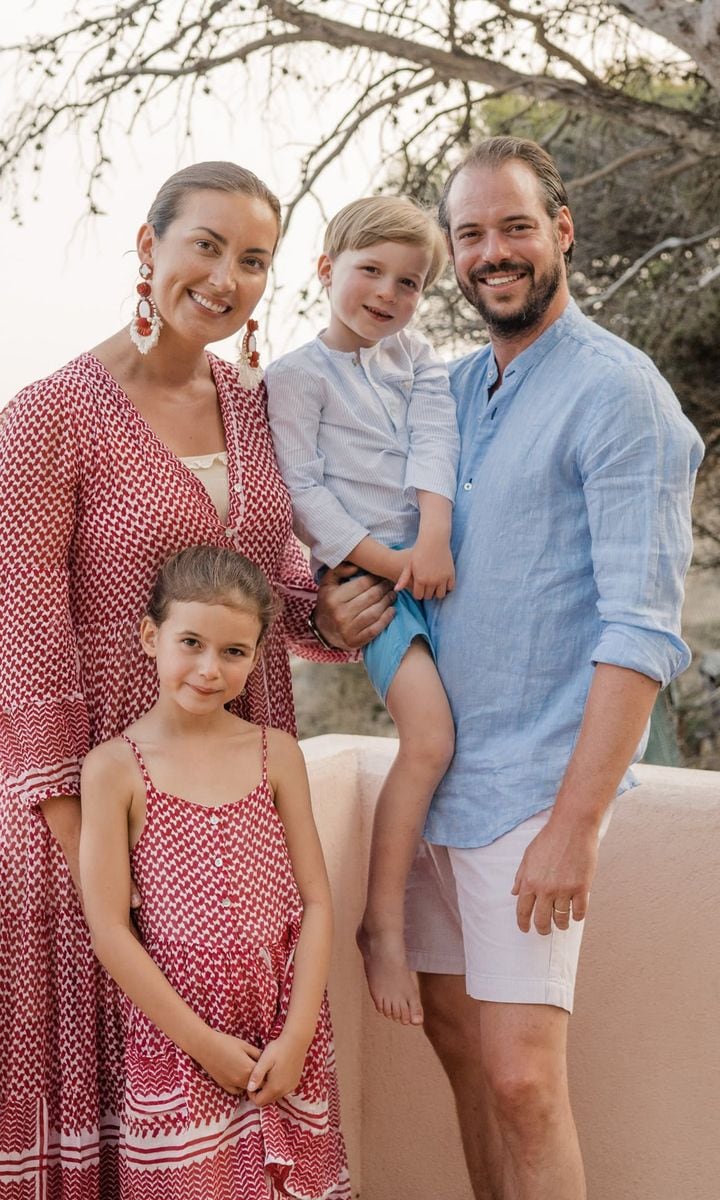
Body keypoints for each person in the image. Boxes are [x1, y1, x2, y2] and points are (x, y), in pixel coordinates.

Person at [321, 136, 704, 1200]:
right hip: (436, 786)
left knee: (523, 1078)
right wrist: (340, 601)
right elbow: (381, 542)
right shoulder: (446, 390)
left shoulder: (621, 396)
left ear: (561, 231)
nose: (495, 252)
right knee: (453, 1042)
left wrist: (574, 828)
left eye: (516, 226)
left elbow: (641, 630)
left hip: (534, 796)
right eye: (472, 234)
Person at [0, 161, 390, 1199]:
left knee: (232, 1133)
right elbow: (26, 637)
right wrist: (90, 849)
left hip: (238, 816)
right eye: (205, 245)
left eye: (253, 259)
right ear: (149, 247)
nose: (226, 277)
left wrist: (327, 618)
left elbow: (267, 589)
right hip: (93, 820)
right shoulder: (49, 418)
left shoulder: (256, 408)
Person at [80, 545, 349, 1199]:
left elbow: (315, 901)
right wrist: (204, 1044)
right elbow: (111, 930)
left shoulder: (274, 754)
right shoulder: (114, 768)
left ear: (257, 656)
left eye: (233, 652)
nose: (208, 668)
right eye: (191, 642)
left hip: (286, 1040)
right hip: (178, 1047)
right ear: (151, 637)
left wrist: (297, 1035)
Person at [266, 197, 460, 1026]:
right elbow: (304, 494)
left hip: (442, 561)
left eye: (408, 282)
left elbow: (436, 440)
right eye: (370, 271)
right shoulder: (294, 377)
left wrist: (438, 540)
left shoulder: (415, 355)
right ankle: (383, 923)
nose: (387, 292)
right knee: (430, 738)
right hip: (375, 586)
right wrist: (396, 564)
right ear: (325, 270)